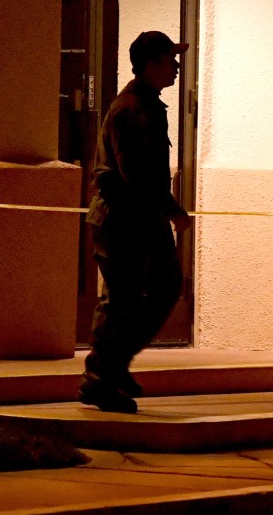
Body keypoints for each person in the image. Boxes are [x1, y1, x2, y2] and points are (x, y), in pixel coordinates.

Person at [79, 31, 192, 413]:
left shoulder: (147, 104)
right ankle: (99, 378)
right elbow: (135, 175)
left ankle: (114, 363)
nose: (176, 67)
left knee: (166, 286)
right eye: (168, 59)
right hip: (122, 219)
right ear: (149, 66)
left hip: (144, 218)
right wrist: (172, 210)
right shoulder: (129, 109)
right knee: (122, 299)